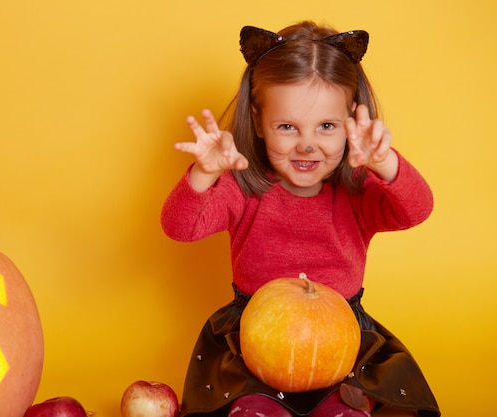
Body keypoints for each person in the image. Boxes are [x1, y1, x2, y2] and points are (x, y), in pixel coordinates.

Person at [161, 21, 440, 417]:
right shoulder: (243, 188)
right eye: (287, 127)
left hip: (343, 333)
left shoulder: (359, 190)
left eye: (327, 126)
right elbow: (180, 228)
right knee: (251, 405)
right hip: (253, 334)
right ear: (258, 122)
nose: (307, 143)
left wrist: (385, 163)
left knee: (347, 404)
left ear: (352, 123)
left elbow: (417, 209)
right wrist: (204, 174)